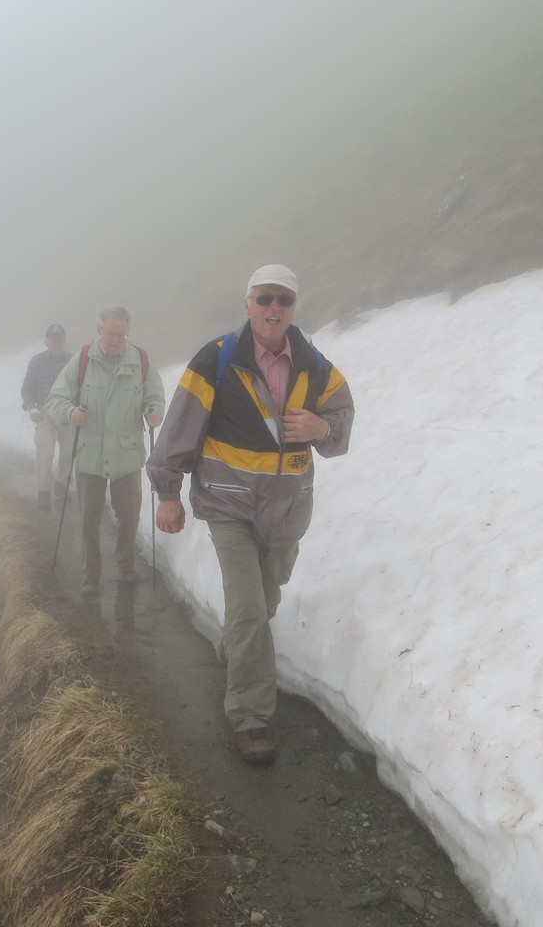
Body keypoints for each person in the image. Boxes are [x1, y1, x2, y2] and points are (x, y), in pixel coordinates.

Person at [146, 265, 354, 764]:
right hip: (229, 504)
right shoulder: (217, 360)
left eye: (283, 300)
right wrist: (168, 492)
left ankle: (240, 656)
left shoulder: (316, 366)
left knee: (263, 605)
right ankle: (250, 717)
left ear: (293, 307)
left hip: (286, 511)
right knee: (247, 608)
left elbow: (342, 425)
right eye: (264, 298)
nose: (273, 308)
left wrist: (320, 427)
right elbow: (179, 428)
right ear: (247, 303)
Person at [46, 305, 165, 595]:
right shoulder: (83, 360)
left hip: (127, 453)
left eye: (121, 334)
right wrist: (70, 412)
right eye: (111, 333)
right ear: (99, 330)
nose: (116, 340)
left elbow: (155, 396)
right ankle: (90, 575)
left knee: (129, 516)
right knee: (90, 519)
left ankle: (126, 568)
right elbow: (55, 399)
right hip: (90, 454)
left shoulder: (141, 360)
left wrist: (154, 411)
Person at [20, 324, 74, 510]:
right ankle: (44, 492)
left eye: (60, 340)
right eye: (53, 340)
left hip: (67, 411)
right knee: (45, 452)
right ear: (46, 342)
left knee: (69, 452)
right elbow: (27, 388)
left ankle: (62, 486)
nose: (57, 343)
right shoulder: (36, 361)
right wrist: (31, 408)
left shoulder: (72, 361)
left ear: (64, 341)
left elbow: (81, 387)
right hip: (44, 412)